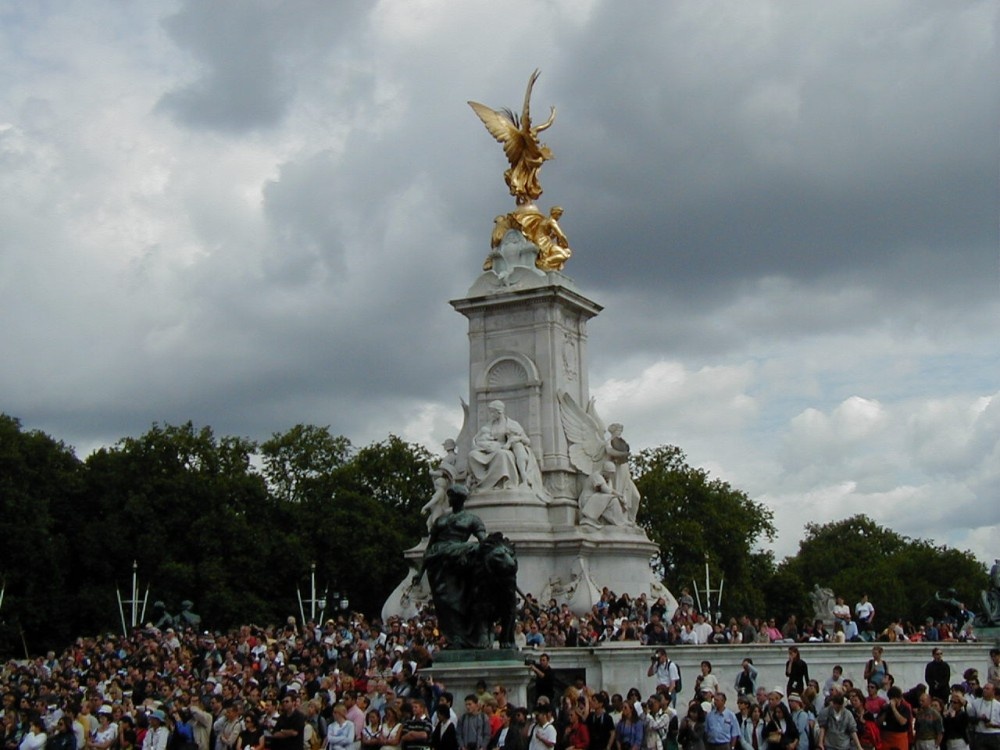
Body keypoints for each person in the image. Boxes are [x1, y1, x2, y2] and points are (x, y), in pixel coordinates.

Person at [467, 401, 546, 500]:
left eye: (492, 412)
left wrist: (513, 441)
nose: (490, 414)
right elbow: (477, 438)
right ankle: (481, 483)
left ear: (499, 411)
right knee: (472, 455)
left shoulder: (512, 424)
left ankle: (502, 483)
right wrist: (481, 444)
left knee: (502, 455)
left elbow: (526, 440)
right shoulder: (490, 424)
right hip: (489, 449)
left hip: (506, 449)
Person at [968, 681, 1000, 750]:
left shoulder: (998, 705)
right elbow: (971, 718)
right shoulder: (975, 702)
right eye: (984, 688)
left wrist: (993, 725)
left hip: (995, 734)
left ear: (993, 691)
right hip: (980, 733)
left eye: (987, 689)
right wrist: (979, 718)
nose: (984, 690)